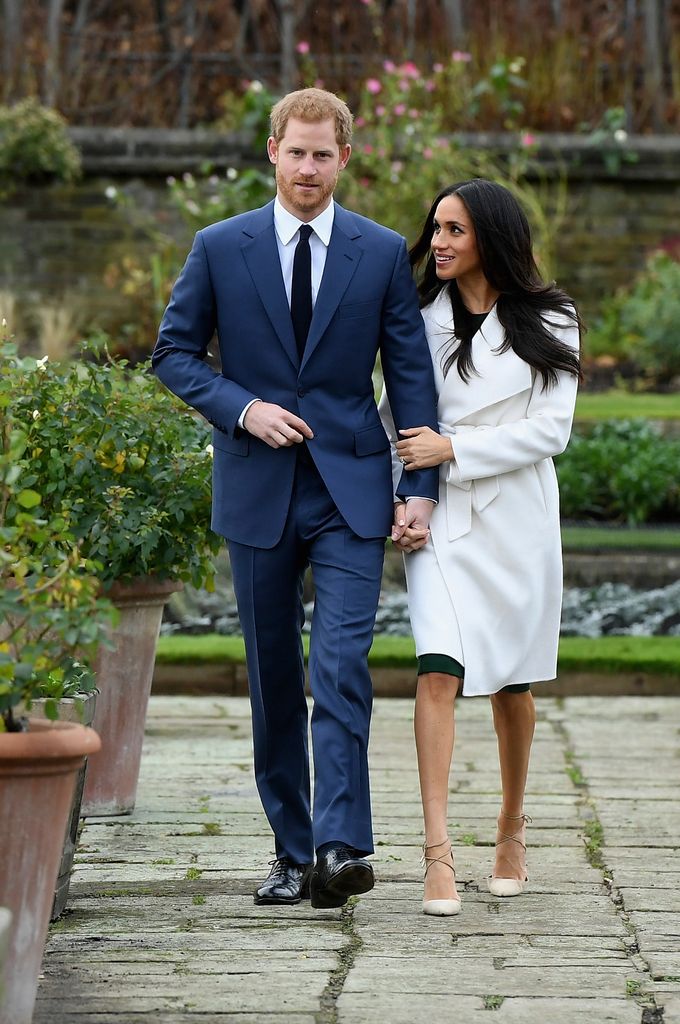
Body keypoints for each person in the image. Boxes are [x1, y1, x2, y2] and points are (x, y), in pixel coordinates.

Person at [152, 88, 439, 910]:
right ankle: (290, 849)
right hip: (258, 489)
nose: (308, 168)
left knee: (341, 666)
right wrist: (243, 407)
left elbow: (410, 376)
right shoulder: (220, 246)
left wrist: (418, 487)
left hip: (352, 490)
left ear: (344, 158)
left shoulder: (380, 253)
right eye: (296, 151)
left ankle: (339, 848)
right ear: (272, 151)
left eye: (323, 154)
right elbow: (173, 354)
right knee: (274, 675)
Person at [379, 178, 582, 916]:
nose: (438, 242)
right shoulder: (417, 318)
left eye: (455, 230)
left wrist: (455, 448)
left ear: (490, 238)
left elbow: (551, 430)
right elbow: (392, 418)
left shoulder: (553, 316)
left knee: (511, 685)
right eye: (435, 228)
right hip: (442, 519)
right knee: (437, 669)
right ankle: (437, 853)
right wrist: (403, 497)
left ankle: (511, 826)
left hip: (517, 519)